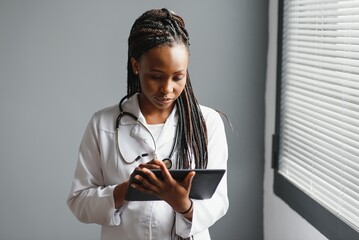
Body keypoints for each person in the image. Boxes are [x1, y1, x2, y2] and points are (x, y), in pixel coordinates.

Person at [67, 8, 229, 240]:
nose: (167, 89)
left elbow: (219, 201)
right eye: (156, 76)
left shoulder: (207, 123)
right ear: (136, 66)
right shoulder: (103, 124)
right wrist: (126, 190)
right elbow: (78, 202)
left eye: (178, 77)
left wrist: (183, 205)